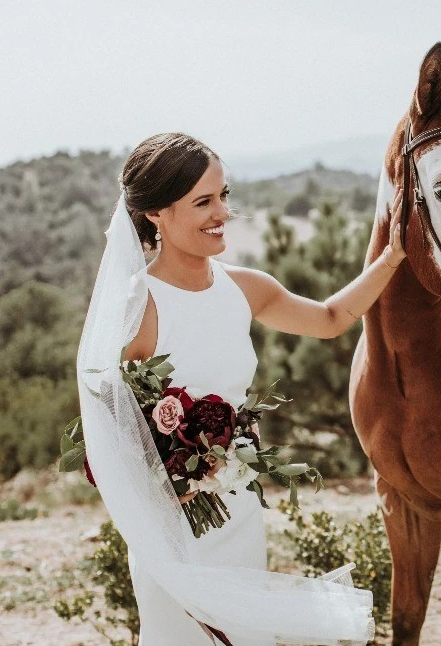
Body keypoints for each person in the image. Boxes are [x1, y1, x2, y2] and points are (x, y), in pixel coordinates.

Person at [78, 133, 395, 644]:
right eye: (203, 201)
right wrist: (171, 486)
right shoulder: (140, 306)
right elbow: (111, 420)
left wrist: (394, 255)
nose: (221, 211)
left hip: (238, 505)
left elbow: (333, 318)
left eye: (225, 194)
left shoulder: (245, 287)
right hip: (172, 526)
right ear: (156, 213)